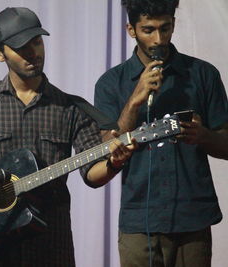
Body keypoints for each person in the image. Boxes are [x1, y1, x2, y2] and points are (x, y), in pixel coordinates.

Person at [0, 7, 133, 266]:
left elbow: (91, 175)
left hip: (51, 242)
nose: (33, 52)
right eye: (21, 47)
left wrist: (115, 162)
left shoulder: (72, 107)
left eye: (37, 42)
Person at [94, 0, 228, 266]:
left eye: (165, 28)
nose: (159, 39)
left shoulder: (203, 74)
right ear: (131, 30)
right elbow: (107, 148)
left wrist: (202, 135)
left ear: (174, 24)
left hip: (192, 216)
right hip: (139, 218)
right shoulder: (111, 83)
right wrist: (134, 100)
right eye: (148, 30)